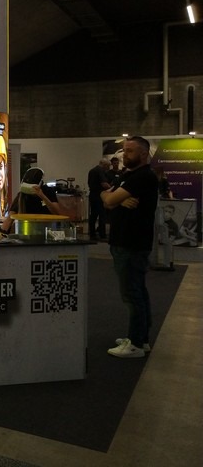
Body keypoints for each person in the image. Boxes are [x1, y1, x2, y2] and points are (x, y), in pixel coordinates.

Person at [102, 136, 159, 359]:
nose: (124, 154)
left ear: (143, 154)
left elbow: (108, 200)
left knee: (132, 294)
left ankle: (135, 343)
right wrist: (117, 199)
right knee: (137, 291)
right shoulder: (129, 175)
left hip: (131, 244)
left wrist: (113, 199)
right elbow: (104, 195)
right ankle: (141, 338)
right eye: (124, 150)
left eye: (130, 151)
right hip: (126, 242)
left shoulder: (142, 177)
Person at [0, 167, 62, 234]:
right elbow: (9, 219)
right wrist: (1, 233)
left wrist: (42, 196)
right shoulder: (22, 196)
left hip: (48, 230)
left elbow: (57, 213)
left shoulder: (48, 191)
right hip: (28, 231)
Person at [87, 157, 111, 241]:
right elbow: (104, 183)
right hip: (99, 196)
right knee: (102, 216)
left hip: (92, 195)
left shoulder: (92, 170)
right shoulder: (100, 171)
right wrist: (112, 189)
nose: (108, 168)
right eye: (108, 166)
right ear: (104, 165)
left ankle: (92, 234)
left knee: (93, 215)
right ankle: (102, 235)